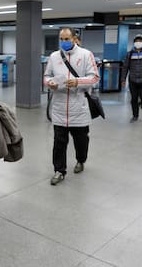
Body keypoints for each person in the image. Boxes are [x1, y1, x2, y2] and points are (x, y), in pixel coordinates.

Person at [43, 27, 100, 185]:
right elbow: (46, 76)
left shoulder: (86, 54)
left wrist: (78, 82)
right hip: (59, 107)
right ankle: (59, 170)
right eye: (61, 39)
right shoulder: (54, 56)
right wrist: (50, 83)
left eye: (67, 39)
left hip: (79, 107)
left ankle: (81, 160)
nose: (64, 42)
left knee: (81, 141)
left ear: (74, 39)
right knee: (59, 142)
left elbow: (95, 78)